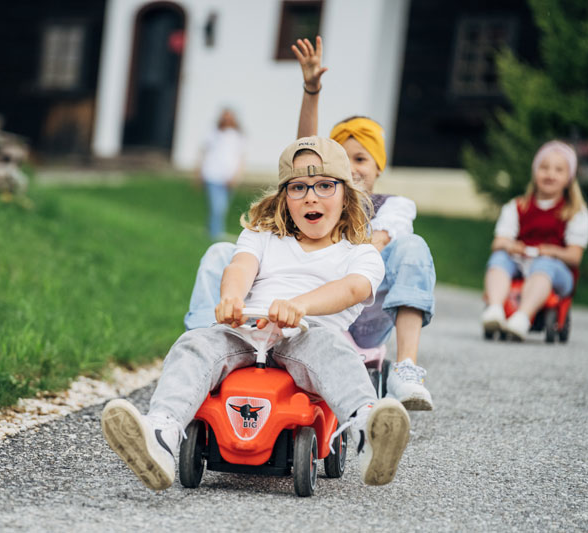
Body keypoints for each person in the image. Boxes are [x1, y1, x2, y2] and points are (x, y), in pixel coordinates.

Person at [102, 136, 410, 491]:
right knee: (195, 344)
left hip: (307, 336)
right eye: (298, 187)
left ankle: (368, 431)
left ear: (346, 195)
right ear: (284, 198)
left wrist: (300, 306)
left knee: (336, 353)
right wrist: (232, 297)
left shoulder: (359, 253)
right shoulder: (263, 236)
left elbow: (353, 288)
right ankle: (162, 432)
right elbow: (240, 266)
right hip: (247, 332)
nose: (311, 197)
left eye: (325, 185)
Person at [184, 37, 436, 411]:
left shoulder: (393, 208)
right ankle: (207, 348)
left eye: (360, 159)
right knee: (224, 252)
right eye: (341, 160)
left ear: (378, 167)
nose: (350, 168)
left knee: (413, 246)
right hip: (291, 306)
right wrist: (311, 91)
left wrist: (332, 253)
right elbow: (304, 155)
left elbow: (373, 248)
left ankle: (406, 368)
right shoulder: (311, 195)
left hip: (356, 309)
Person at [481, 140, 588, 340]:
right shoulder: (517, 206)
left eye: (558, 170)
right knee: (500, 258)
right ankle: (495, 308)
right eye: (544, 168)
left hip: (556, 271)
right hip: (521, 262)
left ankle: (523, 316)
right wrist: (511, 245)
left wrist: (550, 251)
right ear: (535, 172)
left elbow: (574, 256)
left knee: (544, 265)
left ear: (568, 178)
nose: (550, 174)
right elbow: (498, 242)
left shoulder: (575, 212)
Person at [196, 108, 246, 240]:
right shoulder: (213, 134)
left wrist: (236, 176)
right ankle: (216, 234)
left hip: (228, 178)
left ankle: (210, 230)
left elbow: (240, 158)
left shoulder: (237, 136)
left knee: (222, 208)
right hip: (212, 175)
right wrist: (199, 172)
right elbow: (203, 153)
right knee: (217, 207)